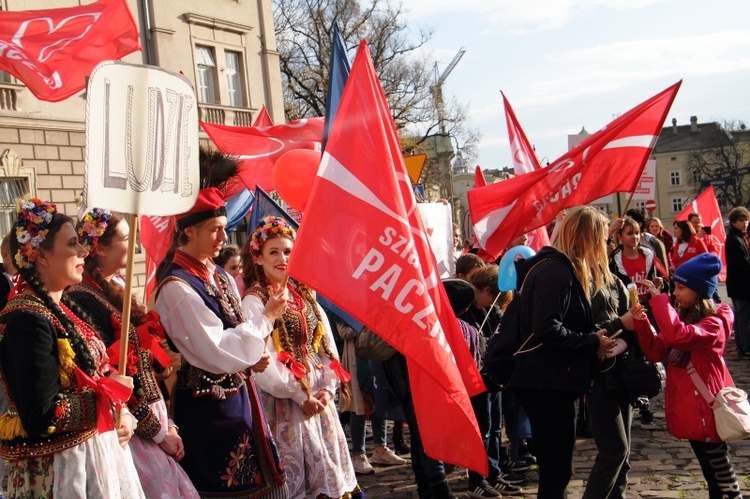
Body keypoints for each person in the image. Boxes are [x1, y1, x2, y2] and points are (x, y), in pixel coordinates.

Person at [0, 198, 144, 497]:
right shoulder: (26, 318)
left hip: (91, 456)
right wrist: (104, 402)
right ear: (40, 255)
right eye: (72, 244)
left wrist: (123, 413)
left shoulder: (63, 306)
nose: (82, 251)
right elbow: (42, 414)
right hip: (59, 471)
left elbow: (99, 375)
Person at [154, 188, 288, 498]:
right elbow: (215, 348)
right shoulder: (177, 287)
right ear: (189, 230)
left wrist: (252, 357)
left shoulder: (218, 275)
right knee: (224, 485)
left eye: (224, 227)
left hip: (238, 396)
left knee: (256, 481)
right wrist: (266, 318)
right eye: (215, 229)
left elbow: (237, 332)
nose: (223, 236)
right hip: (207, 405)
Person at [67, 208, 199, 498]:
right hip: (132, 425)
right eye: (127, 237)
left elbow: (139, 364)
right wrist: (158, 433)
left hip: (152, 417)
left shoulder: (114, 287)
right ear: (100, 248)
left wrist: (168, 425)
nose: (135, 241)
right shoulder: (82, 299)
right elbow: (112, 376)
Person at [240, 216, 360, 498]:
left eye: (287, 251)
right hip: (285, 404)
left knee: (327, 472)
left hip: (318, 398)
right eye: (274, 252)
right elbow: (262, 361)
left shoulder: (304, 294)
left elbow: (326, 345)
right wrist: (300, 396)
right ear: (257, 258)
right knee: (297, 476)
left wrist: (329, 388)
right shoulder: (254, 301)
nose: (282, 258)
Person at [507, 205, 617, 498]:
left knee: (556, 470)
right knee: (555, 473)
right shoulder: (556, 271)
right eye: (602, 239)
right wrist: (592, 341)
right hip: (545, 382)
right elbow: (547, 328)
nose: (605, 246)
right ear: (588, 238)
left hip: (548, 380)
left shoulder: (556, 267)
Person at [633, 254, 741, 498]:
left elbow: (679, 336)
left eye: (682, 288)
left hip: (709, 410)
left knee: (722, 478)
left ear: (700, 291)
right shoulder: (683, 317)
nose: (676, 292)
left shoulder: (714, 322)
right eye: (676, 287)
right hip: (693, 409)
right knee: (713, 474)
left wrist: (660, 302)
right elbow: (657, 350)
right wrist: (642, 324)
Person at [583, 272, 637, 498]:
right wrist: (618, 323)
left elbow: (629, 322)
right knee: (614, 450)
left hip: (621, 371)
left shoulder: (614, 279)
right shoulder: (577, 277)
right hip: (598, 374)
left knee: (622, 457)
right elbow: (581, 331)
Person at [724, 207, 750, 358]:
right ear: (734, 222)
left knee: (741, 316)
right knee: (744, 317)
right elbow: (743, 264)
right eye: (741, 220)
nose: (745, 223)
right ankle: (746, 347)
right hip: (741, 285)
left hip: (738, 284)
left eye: (746, 220)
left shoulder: (738, 237)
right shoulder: (735, 239)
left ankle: (743, 346)